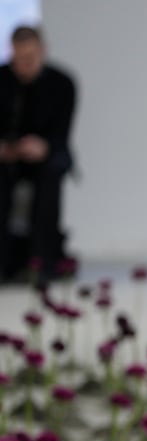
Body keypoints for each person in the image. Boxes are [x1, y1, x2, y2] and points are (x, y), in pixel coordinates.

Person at [0, 25, 77, 285]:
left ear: (43, 51)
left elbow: (62, 134)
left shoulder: (62, 83)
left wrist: (42, 147)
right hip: (6, 158)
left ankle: (42, 262)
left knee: (51, 174)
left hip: (47, 156)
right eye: (19, 58)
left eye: (31, 58)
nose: (24, 65)